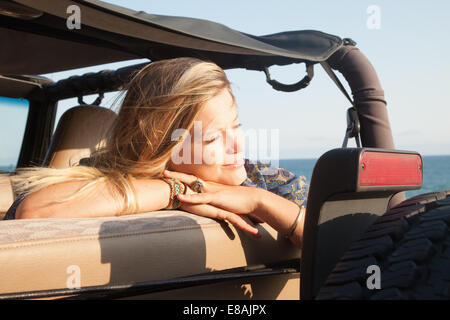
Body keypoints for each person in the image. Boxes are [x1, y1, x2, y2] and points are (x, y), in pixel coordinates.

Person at [5, 57, 308, 249]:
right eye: (214, 138)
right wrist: (175, 190)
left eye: (237, 126)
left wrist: (260, 200)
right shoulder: (112, 182)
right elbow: (34, 212)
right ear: (163, 148)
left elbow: (344, 249)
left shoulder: (268, 181)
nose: (238, 147)